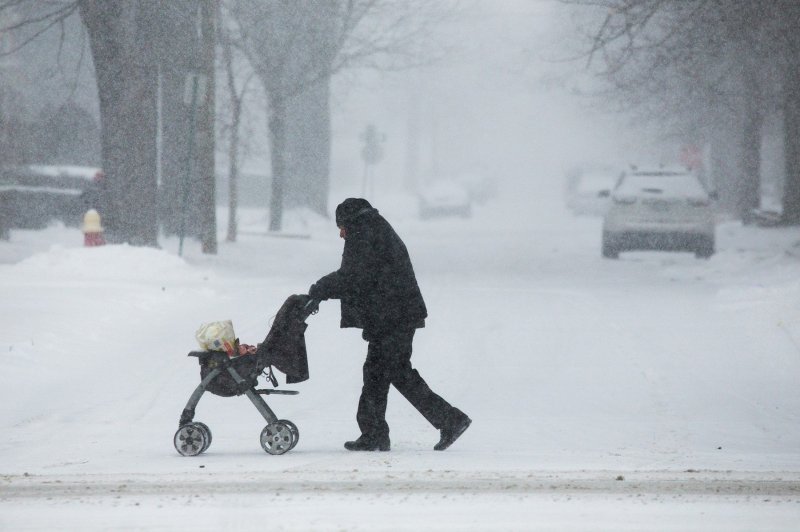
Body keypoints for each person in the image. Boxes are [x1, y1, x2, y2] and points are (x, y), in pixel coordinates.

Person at [308, 198, 471, 451]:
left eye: (341, 227)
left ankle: (450, 420)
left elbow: (353, 276)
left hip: (393, 315)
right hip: (393, 313)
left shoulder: (363, 232)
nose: (341, 234)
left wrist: (320, 289)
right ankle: (374, 433)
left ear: (348, 221)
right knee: (378, 373)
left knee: (394, 372)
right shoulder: (373, 226)